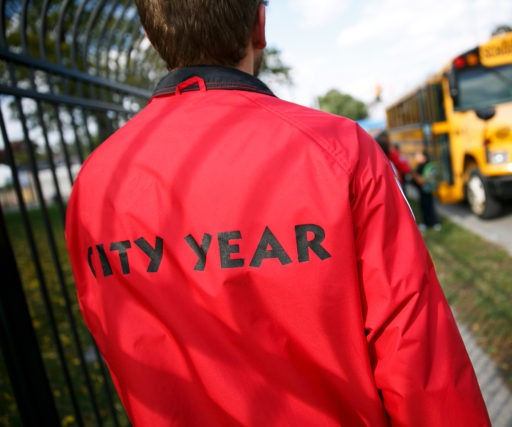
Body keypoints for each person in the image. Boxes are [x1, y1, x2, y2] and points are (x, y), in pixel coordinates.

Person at [64, 1, 490, 425]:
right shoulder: (339, 149)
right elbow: (413, 344)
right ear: (260, 26)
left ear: (154, 37)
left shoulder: (97, 181)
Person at [412, 150, 441, 231]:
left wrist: (413, 174)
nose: (416, 157)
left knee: (429, 206)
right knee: (424, 207)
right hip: (422, 191)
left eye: (419, 155)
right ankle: (426, 223)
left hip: (426, 190)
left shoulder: (428, 166)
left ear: (424, 157)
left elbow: (422, 181)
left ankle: (434, 222)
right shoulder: (419, 166)